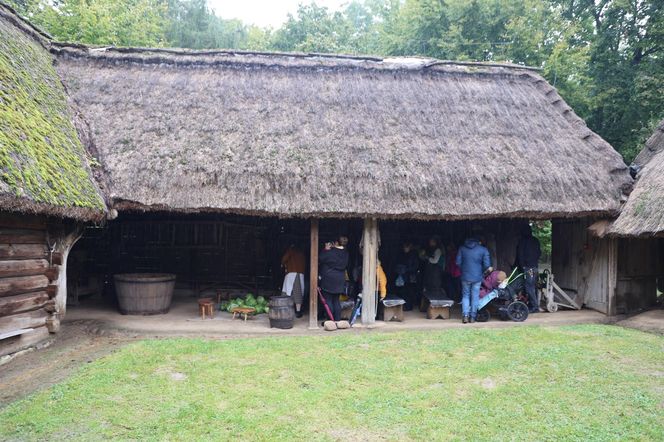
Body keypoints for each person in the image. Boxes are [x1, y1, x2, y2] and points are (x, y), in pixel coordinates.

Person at [456, 237, 491, 323]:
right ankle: (472, 317)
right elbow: (487, 265)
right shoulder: (483, 249)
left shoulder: (462, 248)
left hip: (465, 276)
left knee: (465, 296)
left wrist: (463, 270)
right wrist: (480, 271)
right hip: (477, 277)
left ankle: (465, 316)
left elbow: (457, 262)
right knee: (475, 296)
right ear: (478, 241)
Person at [318, 235, 349, 321]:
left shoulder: (330, 252)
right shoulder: (346, 253)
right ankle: (337, 320)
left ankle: (330, 320)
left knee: (328, 300)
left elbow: (320, 259)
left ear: (335, 243)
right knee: (336, 300)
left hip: (329, 278)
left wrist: (326, 249)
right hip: (340, 279)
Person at [516, 224, 541, 313]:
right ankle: (534, 304)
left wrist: (522, 266)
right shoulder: (536, 240)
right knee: (533, 286)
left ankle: (535, 307)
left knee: (529, 287)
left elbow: (520, 255)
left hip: (528, 268)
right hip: (535, 267)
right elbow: (539, 253)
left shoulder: (522, 241)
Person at [281, 244, 306, 318]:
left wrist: (283, 264)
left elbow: (284, 259)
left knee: (287, 292)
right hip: (300, 274)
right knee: (298, 293)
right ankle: (298, 311)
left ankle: (286, 309)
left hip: (291, 274)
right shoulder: (302, 253)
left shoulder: (290, 251)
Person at [394, 240, 419, 310]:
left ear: (409, 247)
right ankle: (404, 306)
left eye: (406, 247)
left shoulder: (414, 255)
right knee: (402, 292)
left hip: (410, 277)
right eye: (404, 247)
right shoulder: (402, 255)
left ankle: (409, 306)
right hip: (403, 277)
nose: (405, 249)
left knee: (409, 292)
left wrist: (407, 269)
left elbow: (415, 266)